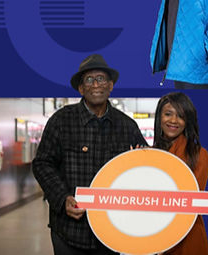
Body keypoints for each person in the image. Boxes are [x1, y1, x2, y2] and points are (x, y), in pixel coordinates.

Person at [32, 54, 146, 255]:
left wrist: (140, 164)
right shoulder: (61, 121)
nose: (96, 85)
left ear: (110, 85)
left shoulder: (127, 126)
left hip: (112, 232)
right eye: (89, 80)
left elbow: (145, 167)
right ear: (81, 88)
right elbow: (42, 163)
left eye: (101, 79)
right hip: (69, 232)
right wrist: (62, 198)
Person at [154, 93, 208, 255]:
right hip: (153, 237)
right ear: (159, 117)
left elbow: (190, 204)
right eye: (168, 114)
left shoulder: (199, 154)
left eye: (180, 116)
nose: (173, 121)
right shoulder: (148, 154)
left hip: (187, 239)